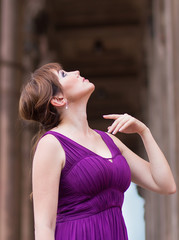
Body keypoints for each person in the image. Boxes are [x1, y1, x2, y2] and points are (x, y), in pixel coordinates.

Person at [19, 62, 176, 240]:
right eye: (64, 74)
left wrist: (144, 132)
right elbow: (44, 227)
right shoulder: (51, 144)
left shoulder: (109, 142)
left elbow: (165, 184)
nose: (76, 71)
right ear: (58, 99)